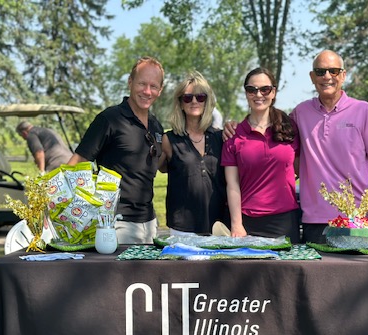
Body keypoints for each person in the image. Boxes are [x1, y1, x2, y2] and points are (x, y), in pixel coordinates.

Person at [291, 50, 368, 243]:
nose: (327, 76)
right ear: (312, 77)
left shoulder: (363, 110)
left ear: (343, 75)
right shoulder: (300, 113)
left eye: (333, 71)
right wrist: (233, 126)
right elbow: (271, 133)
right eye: (320, 72)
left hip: (358, 218)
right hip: (315, 221)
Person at [67, 56, 165, 244]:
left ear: (160, 90)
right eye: (142, 84)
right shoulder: (109, 119)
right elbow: (75, 165)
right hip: (115, 223)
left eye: (153, 86)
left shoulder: (156, 126)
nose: (147, 91)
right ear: (130, 82)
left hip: (150, 224)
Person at [221, 67, 300, 243]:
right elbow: (232, 184)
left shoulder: (290, 128)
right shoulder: (233, 135)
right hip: (246, 223)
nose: (258, 95)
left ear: (273, 92)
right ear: (246, 93)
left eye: (265, 89)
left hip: (285, 221)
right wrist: (236, 224)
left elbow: (301, 169)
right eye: (252, 89)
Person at [158, 71, 227, 235]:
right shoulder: (169, 140)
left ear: (207, 102)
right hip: (183, 228)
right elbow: (159, 168)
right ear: (180, 103)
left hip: (218, 226)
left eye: (200, 97)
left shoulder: (221, 138)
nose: (194, 101)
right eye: (187, 98)